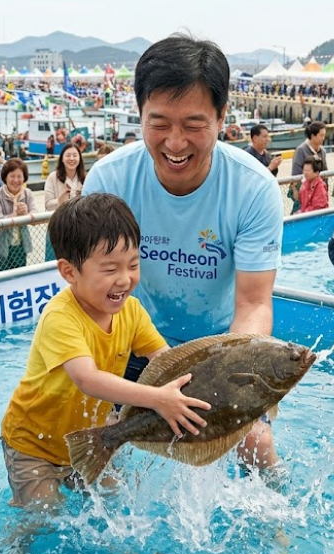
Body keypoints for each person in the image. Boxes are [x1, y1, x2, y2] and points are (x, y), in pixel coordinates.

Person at [83, 34, 284, 474]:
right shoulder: (108, 180)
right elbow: (90, 295)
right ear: (138, 114)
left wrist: (236, 373)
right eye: (159, 123)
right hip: (132, 340)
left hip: (216, 348)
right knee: (93, 442)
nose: (175, 143)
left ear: (222, 117)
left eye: (193, 124)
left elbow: (252, 303)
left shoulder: (254, 189)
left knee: (255, 443)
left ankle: (279, 525)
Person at [0, 193, 210, 508]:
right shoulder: (60, 316)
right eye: (110, 269)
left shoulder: (132, 311)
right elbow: (88, 379)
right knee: (43, 517)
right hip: (33, 445)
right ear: (70, 272)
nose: (125, 279)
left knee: (118, 500)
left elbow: (168, 361)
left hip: (91, 439)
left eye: (133, 265)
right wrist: (158, 398)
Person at [0, 158, 38, 273]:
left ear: (24, 178)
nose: (16, 180)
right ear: (5, 177)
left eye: (19, 176)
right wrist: (16, 215)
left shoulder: (27, 193)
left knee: (19, 279)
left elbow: (35, 215)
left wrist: (26, 214)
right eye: (12, 176)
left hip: (20, 246)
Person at [44, 143, 87, 261]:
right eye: (68, 155)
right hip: (57, 227)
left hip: (80, 229)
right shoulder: (53, 177)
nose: (72, 159)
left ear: (80, 158)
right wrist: (59, 201)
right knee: (53, 262)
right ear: (62, 158)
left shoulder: (85, 178)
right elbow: (47, 205)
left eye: (75, 155)